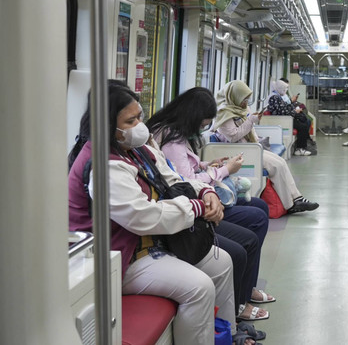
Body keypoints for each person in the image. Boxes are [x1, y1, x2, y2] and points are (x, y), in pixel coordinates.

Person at [68, 82, 242, 344]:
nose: (140, 125)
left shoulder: (137, 150)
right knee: (199, 287)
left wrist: (206, 192)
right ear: (107, 125)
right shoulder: (103, 167)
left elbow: (173, 179)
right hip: (120, 257)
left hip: (151, 244)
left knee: (221, 262)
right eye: (130, 120)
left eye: (140, 116)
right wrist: (196, 207)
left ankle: (227, 336)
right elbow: (144, 217)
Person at [146, 87, 275, 322]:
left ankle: (246, 289)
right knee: (252, 227)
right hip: (193, 206)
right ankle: (241, 301)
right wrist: (225, 170)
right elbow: (184, 182)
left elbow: (183, 170)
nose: (203, 128)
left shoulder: (176, 134)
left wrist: (207, 165)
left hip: (200, 197)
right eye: (203, 123)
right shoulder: (171, 140)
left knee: (260, 208)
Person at [213, 80, 319, 214]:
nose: (246, 102)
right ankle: (290, 204)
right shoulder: (224, 113)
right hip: (238, 153)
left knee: (280, 162)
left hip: (250, 148)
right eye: (244, 99)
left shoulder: (241, 109)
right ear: (235, 97)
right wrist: (251, 120)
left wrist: (256, 137)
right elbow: (233, 136)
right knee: (276, 165)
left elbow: (248, 130)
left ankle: (297, 197)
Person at [267, 79, 313, 156]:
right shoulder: (275, 98)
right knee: (303, 126)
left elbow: (284, 108)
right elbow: (282, 112)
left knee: (304, 120)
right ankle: (300, 148)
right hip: (282, 120)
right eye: (284, 89)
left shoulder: (278, 96)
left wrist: (293, 110)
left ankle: (302, 145)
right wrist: (295, 112)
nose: (285, 91)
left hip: (285, 118)